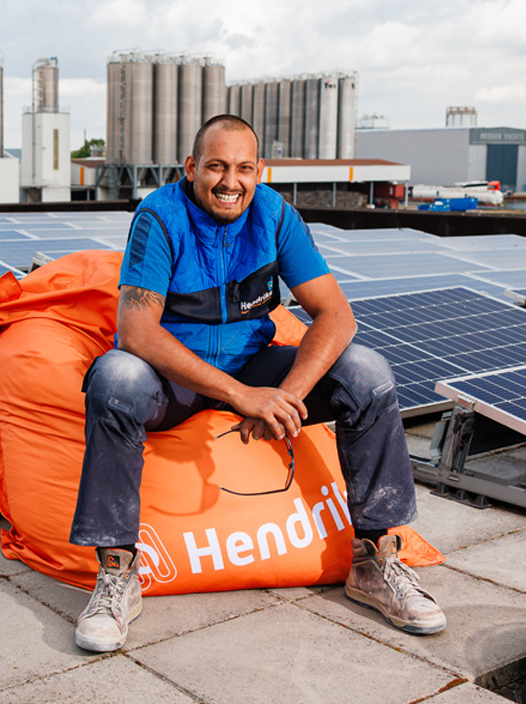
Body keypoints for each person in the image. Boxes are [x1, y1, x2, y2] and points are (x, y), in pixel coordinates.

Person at [70, 114, 445, 652]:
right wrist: (240, 396)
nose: (231, 181)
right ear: (192, 167)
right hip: (175, 377)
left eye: (244, 168)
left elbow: (335, 316)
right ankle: (117, 572)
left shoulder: (275, 215)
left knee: (367, 372)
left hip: (254, 364)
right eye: (217, 166)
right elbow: (135, 332)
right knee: (115, 375)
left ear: (260, 171)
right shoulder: (159, 216)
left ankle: (375, 559)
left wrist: (285, 397)